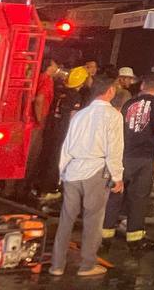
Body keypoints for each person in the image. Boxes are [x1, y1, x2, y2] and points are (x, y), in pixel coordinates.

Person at [50, 74, 124, 278]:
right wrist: (117, 176)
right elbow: (115, 148)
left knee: (66, 219)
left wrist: (62, 172)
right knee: (93, 219)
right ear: (110, 91)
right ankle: (87, 265)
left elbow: (66, 145)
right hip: (96, 170)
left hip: (72, 170)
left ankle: (56, 265)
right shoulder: (113, 116)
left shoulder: (80, 114)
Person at [102, 73, 154, 253]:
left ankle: (104, 239)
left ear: (142, 85)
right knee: (139, 198)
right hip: (144, 159)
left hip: (123, 156)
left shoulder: (129, 103)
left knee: (115, 196)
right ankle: (134, 241)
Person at [39, 66, 90, 198]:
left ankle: (38, 186)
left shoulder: (61, 92)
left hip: (52, 128)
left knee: (46, 155)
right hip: (63, 131)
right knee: (56, 159)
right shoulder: (75, 97)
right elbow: (73, 117)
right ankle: (48, 189)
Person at [15, 58, 59, 200]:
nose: (57, 66)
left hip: (27, 120)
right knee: (31, 157)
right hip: (35, 122)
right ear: (49, 67)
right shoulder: (47, 80)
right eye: (55, 64)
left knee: (21, 153)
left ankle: (11, 188)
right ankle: (21, 191)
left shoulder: (36, 77)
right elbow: (40, 100)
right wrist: (40, 119)